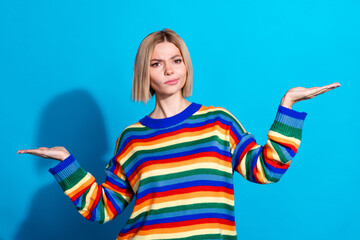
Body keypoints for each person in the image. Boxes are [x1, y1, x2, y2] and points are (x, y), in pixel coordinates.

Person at [18, 28, 340, 240]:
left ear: (186, 65)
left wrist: (288, 108)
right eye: (157, 63)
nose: (169, 70)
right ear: (145, 72)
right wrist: (66, 164)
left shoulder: (218, 122)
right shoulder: (131, 139)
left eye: (176, 60)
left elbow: (267, 169)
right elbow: (103, 209)